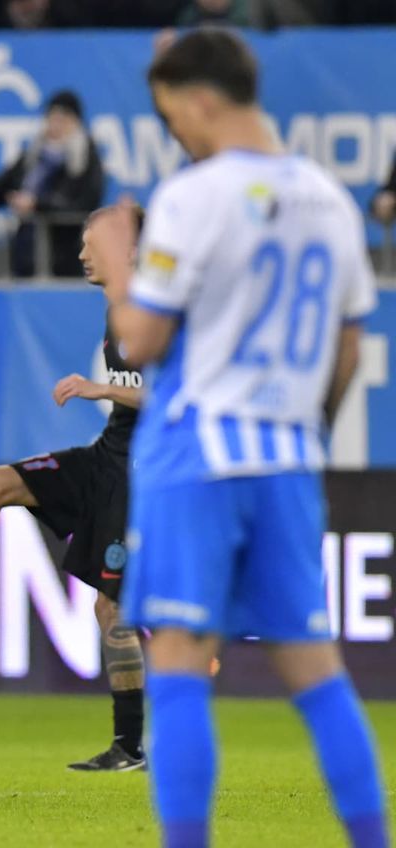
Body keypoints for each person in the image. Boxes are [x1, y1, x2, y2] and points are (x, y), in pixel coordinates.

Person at [94, 30, 388, 848]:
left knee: (182, 658)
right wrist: (301, 432)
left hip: (200, 459)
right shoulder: (330, 198)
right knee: (316, 671)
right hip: (288, 459)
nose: (175, 131)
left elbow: (144, 340)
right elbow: (349, 347)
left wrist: (120, 267)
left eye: (170, 113)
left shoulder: (197, 195)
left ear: (200, 99)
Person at [0, 204, 146, 772]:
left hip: (143, 469)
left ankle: (130, 746)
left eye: (94, 244)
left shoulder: (156, 312)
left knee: (112, 607)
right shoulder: (116, 312)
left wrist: (100, 389)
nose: (83, 253)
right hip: (109, 455)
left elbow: (182, 399)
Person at [0, 89, 104, 278]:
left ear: (76, 122)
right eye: (52, 118)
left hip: (65, 256)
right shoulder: (33, 156)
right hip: (25, 253)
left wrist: (37, 204)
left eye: (63, 119)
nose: (55, 125)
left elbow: (82, 204)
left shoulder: (85, 159)